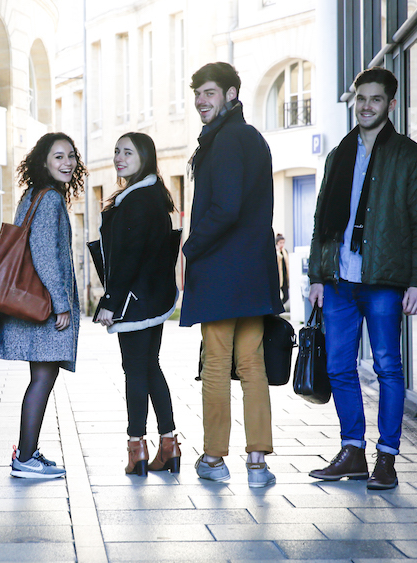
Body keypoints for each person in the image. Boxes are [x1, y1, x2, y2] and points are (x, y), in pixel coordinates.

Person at [307, 67, 417, 490]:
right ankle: (352, 451)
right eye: (361, 98)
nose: (366, 106)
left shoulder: (411, 157)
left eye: (375, 99)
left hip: (384, 281)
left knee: (387, 367)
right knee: (339, 366)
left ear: (391, 104)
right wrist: (316, 275)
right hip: (338, 282)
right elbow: (319, 220)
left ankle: (387, 457)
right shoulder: (338, 155)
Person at [179, 62, 282, 488]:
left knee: (218, 365)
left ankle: (215, 458)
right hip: (254, 271)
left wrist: (188, 248)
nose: (202, 101)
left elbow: (225, 208)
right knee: (252, 364)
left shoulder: (224, 141)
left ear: (231, 94)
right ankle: (257, 461)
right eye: (198, 94)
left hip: (223, 270)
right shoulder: (253, 138)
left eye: (209, 93)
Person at [0, 132, 84, 479]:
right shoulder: (50, 200)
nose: (67, 163)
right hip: (43, 303)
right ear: (43, 161)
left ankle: (27, 450)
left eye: (71, 156)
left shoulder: (33, 195)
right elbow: (45, 255)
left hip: (33, 299)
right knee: (43, 377)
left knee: (42, 376)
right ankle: (25, 457)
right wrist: (62, 304)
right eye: (58, 157)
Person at [93, 132, 180, 476]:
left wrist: (111, 301)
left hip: (133, 299)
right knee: (150, 366)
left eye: (128, 152)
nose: (119, 157)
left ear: (145, 156)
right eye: (116, 151)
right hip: (154, 298)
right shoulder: (154, 195)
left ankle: (136, 450)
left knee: (134, 371)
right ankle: (169, 445)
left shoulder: (134, 200)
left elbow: (127, 257)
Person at [276, 234, 290, 305]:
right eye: (280, 243)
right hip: (278, 277)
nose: (282, 244)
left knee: (286, 296)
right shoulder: (276, 252)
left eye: (283, 242)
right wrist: (278, 253)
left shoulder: (285, 252)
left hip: (284, 277)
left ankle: (279, 306)